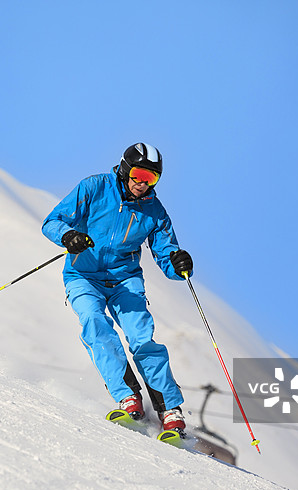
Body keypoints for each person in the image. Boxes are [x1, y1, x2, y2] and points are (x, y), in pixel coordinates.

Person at [42, 142, 194, 432]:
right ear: (125, 169)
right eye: (138, 174)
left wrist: (178, 263)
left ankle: (169, 409)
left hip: (125, 280)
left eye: (151, 179)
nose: (141, 183)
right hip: (83, 274)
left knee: (141, 338)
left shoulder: (155, 212)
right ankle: (128, 396)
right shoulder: (95, 187)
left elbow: (166, 254)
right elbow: (52, 221)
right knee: (94, 322)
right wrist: (69, 236)